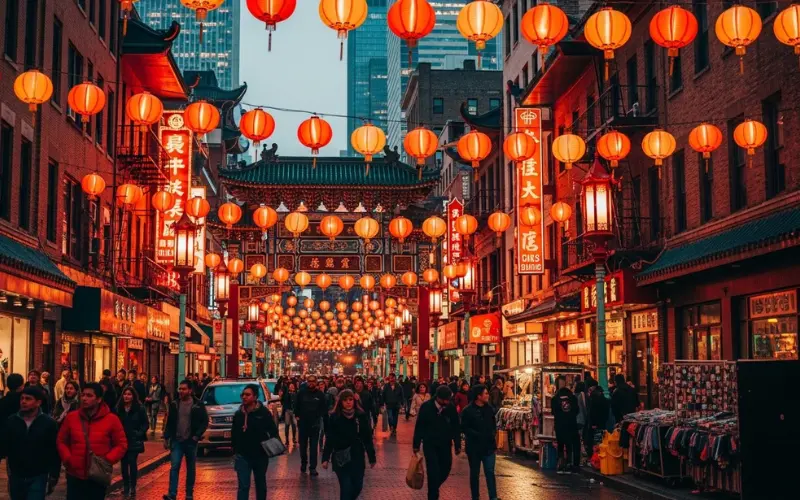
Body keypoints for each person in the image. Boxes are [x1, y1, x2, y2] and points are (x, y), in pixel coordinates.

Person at [57, 383, 128, 500]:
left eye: (89, 396)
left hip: (97, 475)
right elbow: (61, 441)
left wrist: (107, 459)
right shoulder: (71, 417)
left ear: (99, 399)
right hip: (75, 474)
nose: (84, 398)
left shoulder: (112, 419)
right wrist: (68, 458)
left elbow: (121, 444)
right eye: (83, 395)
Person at [0, 386, 61, 499]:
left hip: (38, 474)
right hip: (17, 474)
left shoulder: (48, 423)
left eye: (28, 399)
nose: (23, 402)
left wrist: (54, 473)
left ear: (38, 402)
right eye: (22, 398)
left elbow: (54, 450)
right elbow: (4, 445)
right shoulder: (12, 421)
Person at [322, 389, 376, 500]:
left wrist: (372, 457)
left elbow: (367, 438)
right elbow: (330, 438)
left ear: (354, 401)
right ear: (340, 402)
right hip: (341, 458)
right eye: (345, 400)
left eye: (350, 399)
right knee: (346, 488)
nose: (348, 402)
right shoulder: (335, 417)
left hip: (357, 456)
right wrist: (325, 458)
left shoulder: (360, 416)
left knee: (357, 486)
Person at [163, 379, 208, 500]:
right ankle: (172, 493)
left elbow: (204, 421)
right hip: (177, 440)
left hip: (191, 441)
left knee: (190, 468)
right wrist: (166, 437)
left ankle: (189, 493)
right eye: (180, 389)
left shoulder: (198, 404)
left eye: (184, 389)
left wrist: (196, 435)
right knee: (174, 466)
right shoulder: (174, 404)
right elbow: (170, 422)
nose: (181, 391)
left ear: (190, 390)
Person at [413, 386, 461, 500]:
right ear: (438, 398)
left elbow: (456, 426)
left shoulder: (450, 408)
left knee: (446, 467)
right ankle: (433, 495)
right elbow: (419, 426)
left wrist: (457, 444)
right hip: (430, 444)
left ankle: (433, 487)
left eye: (448, 400)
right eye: (445, 400)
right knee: (433, 470)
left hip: (445, 444)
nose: (446, 402)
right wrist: (416, 444)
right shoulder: (426, 407)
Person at [232, 384, 279, 500]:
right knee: (243, 486)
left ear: (255, 397)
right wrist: (235, 451)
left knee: (260, 484)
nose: (244, 397)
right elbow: (234, 434)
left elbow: (273, 431)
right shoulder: (238, 414)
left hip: (260, 455)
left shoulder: (263, 413)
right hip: (242, 456)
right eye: (243, 395)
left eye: (247, 395)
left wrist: (269, 446)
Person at [461, 385, 499, 500]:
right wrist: (477, 435)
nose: (488, 395)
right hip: (474, 448)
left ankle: (493, 497)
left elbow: (493, 425)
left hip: (489, 447)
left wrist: (492, 435)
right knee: (474, 474)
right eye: (485, 393)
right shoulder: (467, 411)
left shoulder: (489, 409)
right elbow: (464, 428)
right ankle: (475, 497)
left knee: (490, 472)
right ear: (479, 396)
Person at [117, 387, 148, 497]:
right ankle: (126, 486)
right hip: (122, 440)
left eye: (129, 394)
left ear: (133, 396)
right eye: (125, 394)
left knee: (132, 462)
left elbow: (145, 423)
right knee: (124, 464)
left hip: (134, 440)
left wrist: (139, 433)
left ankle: (133, 486)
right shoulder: (119, 408)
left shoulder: (139, 408)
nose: (126, 396)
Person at [294, 375, 327, 476]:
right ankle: (304, 463)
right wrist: (297, 416)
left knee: (313, 448)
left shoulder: (320, 394)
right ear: (307, 382)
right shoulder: (301, 393)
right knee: (303, 447)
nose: (311, 383)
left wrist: (319, 417)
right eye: (309, 381)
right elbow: (296, 405)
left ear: (316, 382)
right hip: (303, 425)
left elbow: (324, 408)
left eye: (313, 381)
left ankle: (313, 467)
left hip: (315, 425)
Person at [551, 376, 580, 474]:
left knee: (560, 444)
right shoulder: (573, 397)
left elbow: (553, 412)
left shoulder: (555, 398)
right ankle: (568, 464)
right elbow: (577, 411)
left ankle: (560, 465)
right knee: (569, 445)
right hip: (571, 424)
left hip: (559, 425)